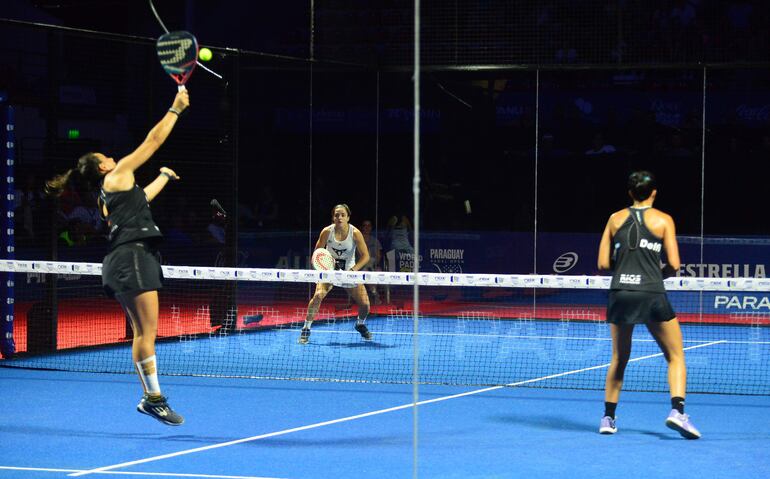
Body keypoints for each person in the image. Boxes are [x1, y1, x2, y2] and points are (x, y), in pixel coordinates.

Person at [45, 89, 190, 426]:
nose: (112, 156)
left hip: (123, 260)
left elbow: (143, 199)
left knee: (143, 332)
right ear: (101, 166)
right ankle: (153, 398)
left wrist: (164, 178)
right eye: (105, 156)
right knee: (146, 333)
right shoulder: (117, 172)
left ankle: (152, 398)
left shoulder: (109, 194)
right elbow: (152, 142)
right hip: (133, 258)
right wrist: (175, 109)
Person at [597, 171, 700, 439]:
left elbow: (603, 264)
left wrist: (626, 273)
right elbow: (675, 266)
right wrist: (654, 275)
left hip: (620, 293)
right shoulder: (664, 220)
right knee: (675, 356)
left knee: (619, 358)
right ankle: (677, 411)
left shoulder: (613, 219)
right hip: (651, 293)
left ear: (630, 193)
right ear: (653, 192)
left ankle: (608, 418)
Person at [299, 204, 372, 344]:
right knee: (318, 296)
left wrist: (353, 270)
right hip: (329, 273)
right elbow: (316, 253)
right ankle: (306, 329)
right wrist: (322, 268)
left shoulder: (355, 233)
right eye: (337, 215)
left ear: (348, 217)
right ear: (333, 217)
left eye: (343, 215)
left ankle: (360, 324)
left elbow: (365, 256)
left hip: (349, 273)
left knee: (365, 305)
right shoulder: (327, 232)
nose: (339, 217)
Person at [360, 219, 383, 304]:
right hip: (360, 267)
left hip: (372, 266)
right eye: (365, 225)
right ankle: (375, 294)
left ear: (371, 228)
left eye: (369, 226)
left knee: (378, 271)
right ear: (362, 228)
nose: (367, 227)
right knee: (365, 272)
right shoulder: (357, 240)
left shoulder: (375, 241)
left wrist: (372, 262)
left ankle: (370, 295)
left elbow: (378, 257)